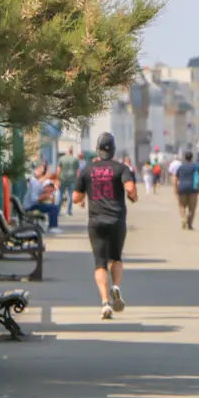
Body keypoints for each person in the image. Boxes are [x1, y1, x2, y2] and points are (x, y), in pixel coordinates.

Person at [73, 132, 137, 320]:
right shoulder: (121, 168)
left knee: (100, 263)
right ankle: (115, 286)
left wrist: (86, 195)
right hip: (116, 220)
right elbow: (130, 188)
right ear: (114, 150)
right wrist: (133, 196)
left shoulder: (87, 170)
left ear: (97, 150)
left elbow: (76, 197)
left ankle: (104, 302)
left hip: (96, 222)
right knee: (115, 258)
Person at [23, 167, 62, 234]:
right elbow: (34, 199)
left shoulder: (37, 183)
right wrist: (45, 196)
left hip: (31, 205)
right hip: (30, 206)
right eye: (48, 173)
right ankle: (52, 227)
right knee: (54, 208)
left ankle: (53, 226)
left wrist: (46, 193)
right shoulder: (35, 184)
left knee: (53, 206)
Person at [173, 151, 199, 230]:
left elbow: (175, 179)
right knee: (192, 208)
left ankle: (183, 218)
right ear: (192, 157)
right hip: (193, 188)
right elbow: (198, 177)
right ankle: (189, 224)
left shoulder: (181, 167)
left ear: (185, 158)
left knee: (182, 205)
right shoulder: (196, 166)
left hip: (182, 188)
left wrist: (175, 190)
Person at [56, 147, 80, 216]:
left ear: (66, 152)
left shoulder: (61, 158)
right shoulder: (75, 159)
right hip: (72, 179)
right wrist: (78, 180)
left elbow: (59, 169)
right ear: (72, 152)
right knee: (70, 195)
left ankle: (57, 211)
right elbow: (78, 171)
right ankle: (68, 212)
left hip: (63, 179)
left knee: (60, 194)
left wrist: (57, 179)